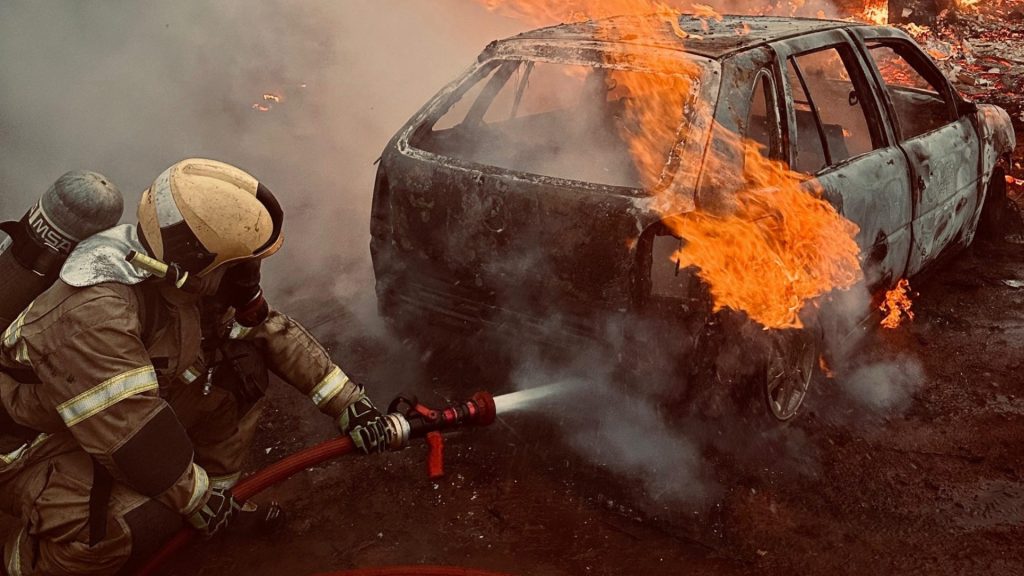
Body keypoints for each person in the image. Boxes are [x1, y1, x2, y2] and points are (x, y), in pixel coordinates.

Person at [0, 158, 388, 576]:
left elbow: (265, 329)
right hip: (29, 445)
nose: (249, 277)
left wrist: (351, 404)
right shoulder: (93, 314)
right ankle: (22, 563)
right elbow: (130, 433)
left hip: (97, 420)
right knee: (124, 526)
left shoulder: (181, 277)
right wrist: (193, 499)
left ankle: (219, 509)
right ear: (196, 261)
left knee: (239, 370)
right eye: (239, 267)